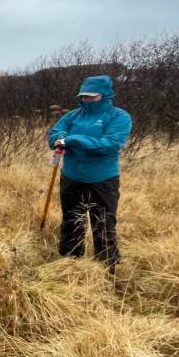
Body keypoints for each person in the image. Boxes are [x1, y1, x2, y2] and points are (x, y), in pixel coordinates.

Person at [47, 75, 132, 270]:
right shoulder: (73, 116)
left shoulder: (119, 117)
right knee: (71, 220)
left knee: (103, 223)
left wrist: (75, 140)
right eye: (84, 96)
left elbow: (111, 144)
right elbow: (55, 133)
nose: (86, 100)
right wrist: (59, 137)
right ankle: (70, 263)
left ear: (105, 94)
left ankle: (107, 266)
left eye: (92, 96)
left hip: (102, 179)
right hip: (71, 176)